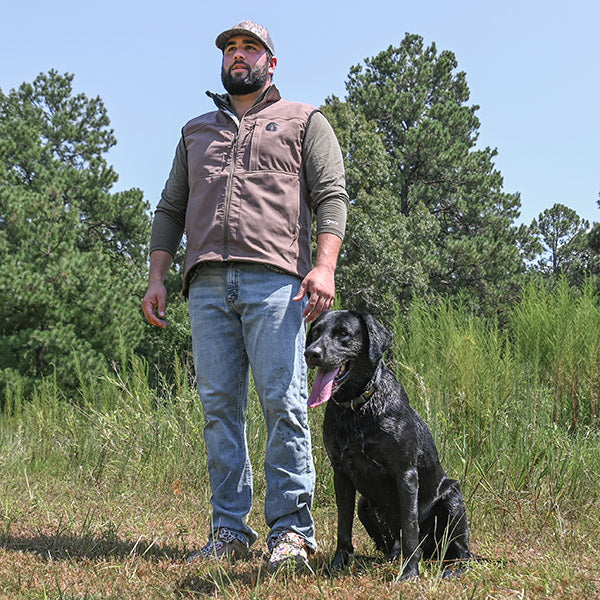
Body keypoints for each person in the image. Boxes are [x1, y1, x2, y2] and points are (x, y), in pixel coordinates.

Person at [141, 20, 348, 573]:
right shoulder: (195, 131)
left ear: (270, 63)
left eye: (250, 47)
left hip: (276, 282)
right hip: (205, 285)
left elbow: (331, 196)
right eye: (230, 48)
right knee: (219, 410)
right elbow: (169, 209)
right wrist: (158, 275)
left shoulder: (304, 121)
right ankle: (228, 530)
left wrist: (323, 267)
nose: (238, 55)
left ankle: (293, 533)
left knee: (284, 402)